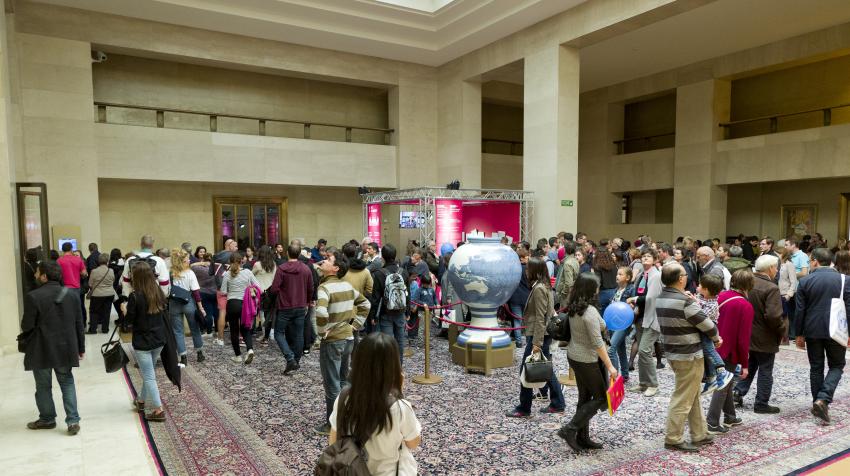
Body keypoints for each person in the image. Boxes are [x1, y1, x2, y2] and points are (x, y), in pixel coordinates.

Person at [328, 333, 421, 475]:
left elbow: (333, 440)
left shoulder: (344, 397)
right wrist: (399, 391)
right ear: (394, 366)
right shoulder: (400, 407)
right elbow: (413, 443)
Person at [656, 263, 720, 452]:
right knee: (683, 397)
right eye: (684, 274)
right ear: (680, 279)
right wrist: (716, 337)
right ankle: (673, 438)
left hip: (673, 352)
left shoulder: (661, 297)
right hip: (689, 354)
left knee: (692, 394)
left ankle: (699, 433)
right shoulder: (685, 301)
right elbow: (708, 325)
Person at [21, 260, 85, 435]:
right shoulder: (72, 295)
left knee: (43, 385)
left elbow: (27, 326)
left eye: (37, 272)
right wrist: (81, 347)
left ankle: (47, 419)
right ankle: (73, 421)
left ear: (44, 276)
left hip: (41, 347)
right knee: (67, 382)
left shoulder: (33, 296)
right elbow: (79, 323)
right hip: (65, 347)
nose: (34, 275)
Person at [557, 273, 618, 452]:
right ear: (591, 289)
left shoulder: (577, 307)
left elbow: (598, 330)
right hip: (586, 359)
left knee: (584, 398)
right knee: (600, 398)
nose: (599, 289)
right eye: (597, 286)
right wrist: (610, 366)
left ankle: (582, 438)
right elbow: (597, 343)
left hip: (575, 356)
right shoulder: (589, 312)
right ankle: (570, 430)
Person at [315, 252, 371, 435]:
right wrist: (355, 325)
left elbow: (322, 314)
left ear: (336, 268)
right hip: (348, 339)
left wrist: (322, 333)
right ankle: (348, 416)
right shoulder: (346, 286)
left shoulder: (324, 288)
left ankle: (333, 424)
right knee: (343, 380)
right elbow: (366, 305)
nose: (324, 260)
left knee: (331, 384)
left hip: (332, 342)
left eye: (329, 260)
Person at [795, 247, 850, 424]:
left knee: (816, 367)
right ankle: (823, 399)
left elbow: (800, 310)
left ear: (815, 261)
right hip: (837, 329)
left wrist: (798, 333)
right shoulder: (845, 280)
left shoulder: (805, 281)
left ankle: (817, 402)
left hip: (812, 329)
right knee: (837, 365)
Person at [506, 257, 566, 418]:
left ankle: (524, 408)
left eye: (528, 269)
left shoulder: (539, 288)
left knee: (526, 369)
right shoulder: (544, 286)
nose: (526, 272)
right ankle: (558, 402)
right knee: (545, 369)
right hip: (541, 335)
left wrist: (537, 343)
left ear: (535, 271)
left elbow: (540, 317)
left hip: (538, 335)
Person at [733, 256, 785, 414]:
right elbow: (773, 316)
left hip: (747, 332)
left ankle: (738, 392)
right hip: (765, 335)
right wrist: (781, 329)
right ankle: (761, 403)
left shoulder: (748, 283)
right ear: (770, 268)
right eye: (776, 267)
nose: (777, 270)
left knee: (752, 363)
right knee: (765, 369)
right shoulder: (771, 288)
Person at [706, 269, 753, 434]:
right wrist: (745, 364)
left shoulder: (720, 296)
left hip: (712, 345)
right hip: (728, 350)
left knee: (726, 382)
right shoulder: (745, 305)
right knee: (723, 385)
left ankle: (730, 416)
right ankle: (712, 422)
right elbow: (743, 339)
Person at [126, 261, 169, 422]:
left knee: (149, 376)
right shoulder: (158, 292)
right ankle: (141, 400)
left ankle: (158, 410)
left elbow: (129, 322)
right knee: (148, 372)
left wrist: (125, 310)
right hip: (159, 339)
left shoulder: (135, 296)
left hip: (143, 341)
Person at [269, 244, 313, 375]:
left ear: (288, 253)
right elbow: (311, 288)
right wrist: (307, 302)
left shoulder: (282, 268)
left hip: (284, 306)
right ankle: (296, 361)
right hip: (300, 305)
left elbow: (275, 288)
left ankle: (290, 358)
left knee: (278, 333)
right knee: (299, 334)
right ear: (299, 253)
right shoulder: (306, 269)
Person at [627, 249, 663, 396]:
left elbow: (650, 298)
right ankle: (643, 383)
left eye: (648, 256)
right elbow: (640, 293)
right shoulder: (643, 274)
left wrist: (634, 300)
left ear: (655, 260)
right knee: (642, 353)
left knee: (644, 351)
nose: (645, 258)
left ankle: (653, 384)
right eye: (643, 256)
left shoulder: (656, 276)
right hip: (641, 316)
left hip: (652, 317)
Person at [693, 274, 734, 396]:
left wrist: (695, 302)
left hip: (709, 328)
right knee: (706, 352)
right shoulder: (703, 297)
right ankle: (711, 379)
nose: (698, 287)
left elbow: (702, 316)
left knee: (709, 350)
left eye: (700, 285)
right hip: (704, 328)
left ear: (706, 290)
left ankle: (722, 372)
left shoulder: (713, 304)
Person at [370, 244, 410, 362]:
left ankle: (389, 370)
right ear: (395, 255)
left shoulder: (379, 273)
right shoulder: (403, 272)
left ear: (383, 257)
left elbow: (376, 297)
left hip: (385, 312)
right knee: (400, 342)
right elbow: (407, 294)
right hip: (401, 311)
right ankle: (399, 369)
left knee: (387, 343)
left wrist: (373, 316)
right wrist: (407, 311)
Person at [220, 251, 261, 364]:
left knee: (234, 330)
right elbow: (258, 286)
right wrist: (249, 288)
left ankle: (238, 356)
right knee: (246, 328)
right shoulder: (247, 272)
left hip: (232, 304)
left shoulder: (227, 274)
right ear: (241, 261)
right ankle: (250, 349)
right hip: (245, 304)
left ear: (230, 261)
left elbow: (223, 291)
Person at [169, 248, 207, 365]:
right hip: (188, 303)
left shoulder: (171, 273)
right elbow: (196, 292)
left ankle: (183, 357)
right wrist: (200, 308)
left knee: (178, 331)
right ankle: (200, 354)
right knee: (194, 328)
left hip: (174, 303)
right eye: (187, 260)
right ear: (182, 261)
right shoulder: (190, 273)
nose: (190, 261)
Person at [607, 267, 635, 383]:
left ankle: (616, 377)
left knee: (611, 349)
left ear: (628, 278)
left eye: (620, 274)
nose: (617, 276)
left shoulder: (631, 289)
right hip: (614, 323)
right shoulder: (616, 290)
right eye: (617, 274)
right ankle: (625, 375)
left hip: (623, 324)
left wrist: (632, 305)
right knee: (620, 349)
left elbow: (633, 306)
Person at [57, 242, 88, 327]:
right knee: (78, 309)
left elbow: (57, 274)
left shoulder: (59, 260)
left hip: (64, 288)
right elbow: (84, 273)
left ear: (62, 250)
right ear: (71, 249)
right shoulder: (78, 259)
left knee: (66, 309)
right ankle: (79, 325)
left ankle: (68, 326)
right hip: (76, 288)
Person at [506, 247, 531, 347]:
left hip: (514, 297)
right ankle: (529, 340)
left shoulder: (512, 269)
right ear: (523, 257)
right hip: (527, 297)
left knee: (517, 320)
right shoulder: (529, 269)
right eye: (527, 256)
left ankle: (519, 342)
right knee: (528, 320)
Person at [86, 253, 116, 334]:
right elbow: (113, 280)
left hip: (97, 295)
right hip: (109, 294)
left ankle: (93, 329)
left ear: (98, 261)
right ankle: (105, 329)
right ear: (107, 261)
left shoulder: (94, 271)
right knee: (107, 311)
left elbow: (90, 284)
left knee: (94, 311)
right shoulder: (111, 270)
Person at [192, 252, 218, 334]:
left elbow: (190, 266)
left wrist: (200, 262)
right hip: (215, 292)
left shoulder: (197, 268)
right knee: (216, 312)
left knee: (208, 313)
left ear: (203, 259)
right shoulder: (216, 268)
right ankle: (217, 330)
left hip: (203, 292)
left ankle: (209, 331)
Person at [778, 245, 799, 344]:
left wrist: (789, 295)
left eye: (778, 254)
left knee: (785, 316)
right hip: (776, 293)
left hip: (785, 293)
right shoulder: (776, 264)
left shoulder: (789, 264)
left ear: (783, 254)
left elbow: (793, 282)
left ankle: (785, 339)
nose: (776, 256)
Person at [409, 273, 437, 344]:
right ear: (422, 283)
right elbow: (416, 300)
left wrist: (437, 304)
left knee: (428, 327)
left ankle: (427, 341)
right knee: (422, 327)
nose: (427, 286)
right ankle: (421, 341)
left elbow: (434, 298)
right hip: (422, 312)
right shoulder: (419, 290)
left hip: (430, 311)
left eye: (428, 284)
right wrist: (423, 303)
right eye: (426, 284)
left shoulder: (431, 290)